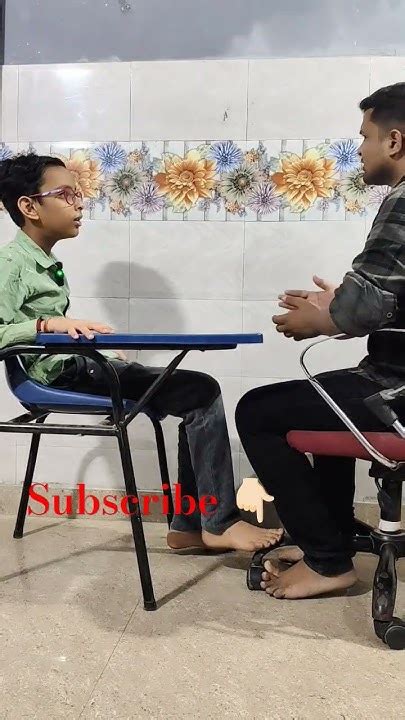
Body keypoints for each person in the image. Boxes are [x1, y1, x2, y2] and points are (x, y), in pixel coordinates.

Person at [0, 152, 282, 552]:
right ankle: (215, 522)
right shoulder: (10, 263)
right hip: (55, 376)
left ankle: (190, 527)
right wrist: (48, 325)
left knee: (195, 392)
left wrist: (98, 352)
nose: (79, 204)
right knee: (200, 392)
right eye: (65, 194)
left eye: (79, 193)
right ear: (29, 207)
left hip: (73, 365)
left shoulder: (43, 261)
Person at [236, 82, 405, 598]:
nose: (361, 148)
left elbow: (363, 307)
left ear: (394, 141)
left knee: (256, 412)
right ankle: (332, 537)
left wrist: (323, 317)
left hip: (395, 395)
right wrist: (340, 302)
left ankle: (328, 560)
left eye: (365, 136)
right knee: (325, 397)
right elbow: (385, 298)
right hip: (390, 381)